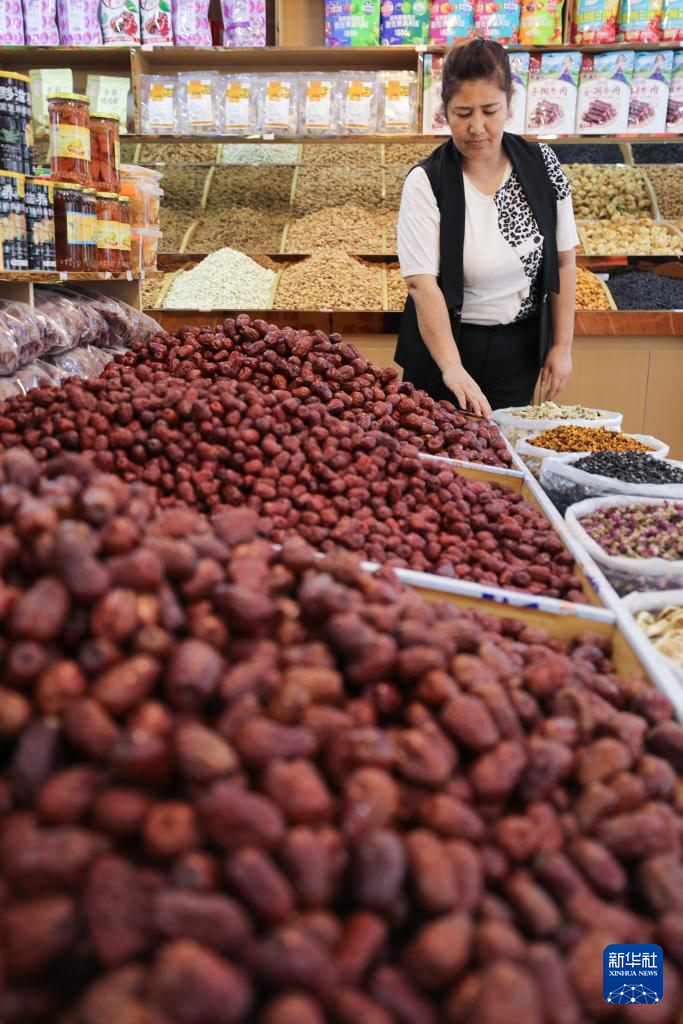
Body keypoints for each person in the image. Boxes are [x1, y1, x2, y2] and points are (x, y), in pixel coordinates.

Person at [395, 38, 578, 419]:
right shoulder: (427, 181)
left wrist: (562, 346)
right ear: (444, 110)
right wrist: (451, 367)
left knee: (504, 448)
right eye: (462, 113)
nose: (476, 127)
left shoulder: (542, 164)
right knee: (437, 448)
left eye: (490, 111)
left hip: (519, 351)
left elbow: (563, 260)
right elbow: (421, 284)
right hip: (442, 349)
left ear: (510, 101)